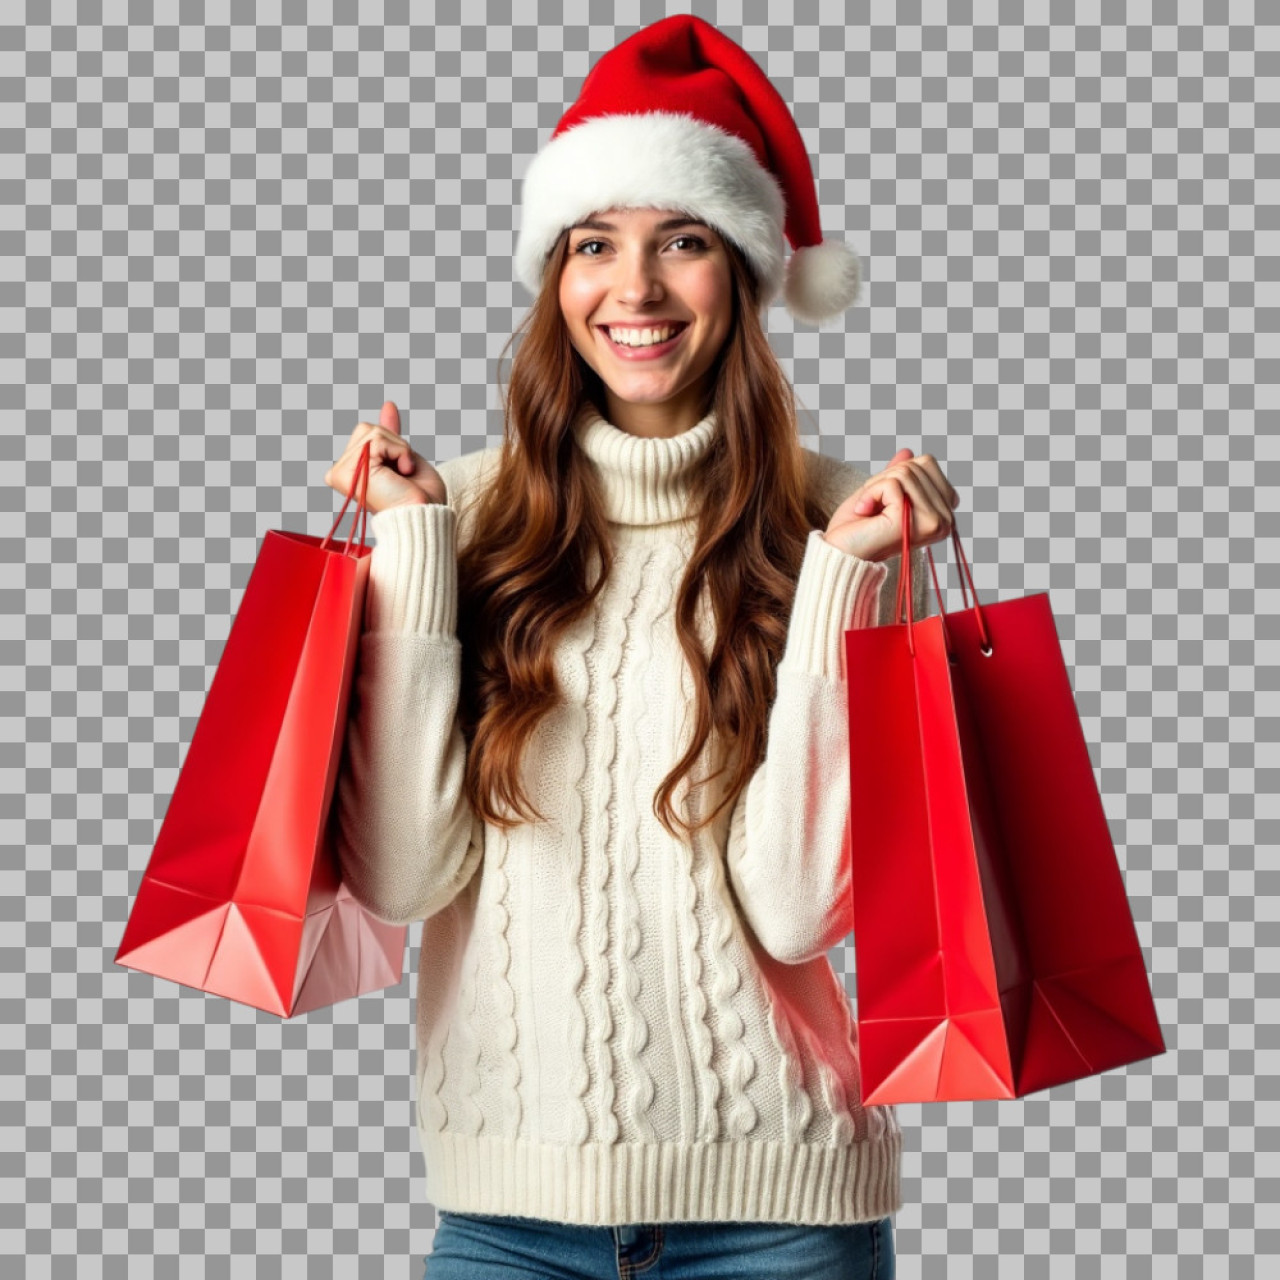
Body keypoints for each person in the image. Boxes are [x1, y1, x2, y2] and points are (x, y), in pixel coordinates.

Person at [324, 15, 958, 1280]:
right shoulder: (453, 516)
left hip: (783, 1212)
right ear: (553, 275)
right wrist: (407, 559)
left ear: (743, 268)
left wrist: (841, 582)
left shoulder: (844, 523)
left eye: (680, 240)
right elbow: (398, 879)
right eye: (593, 244)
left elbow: (796, 907)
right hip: (504, 1218)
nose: (635, 290)